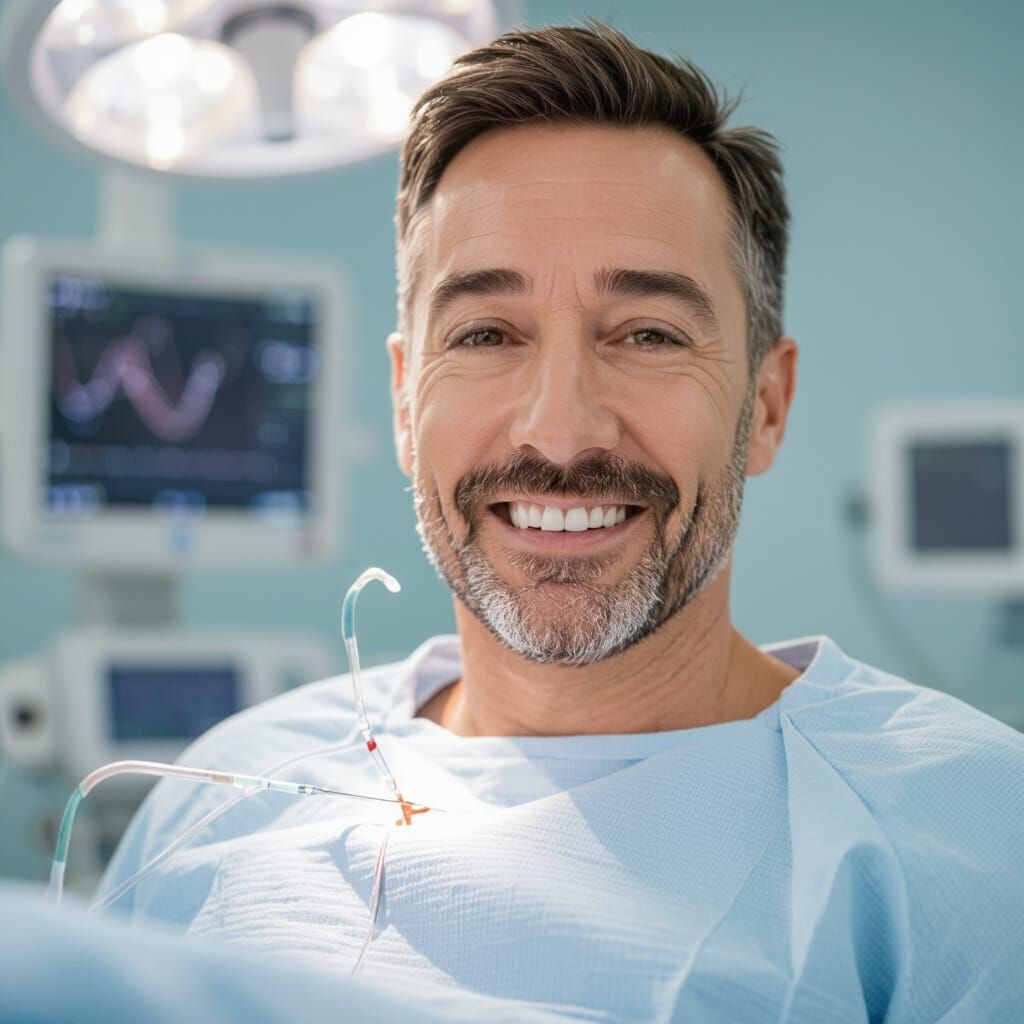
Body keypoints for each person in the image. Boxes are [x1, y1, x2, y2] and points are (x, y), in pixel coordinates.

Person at [98, 22, 1024, 1023]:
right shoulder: (220, 793)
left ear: (765, 403)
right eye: (486, 334)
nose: (560, 428)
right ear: (407, 402)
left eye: (648, 334)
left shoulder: (965, 836)